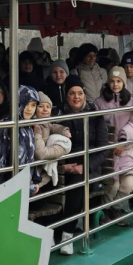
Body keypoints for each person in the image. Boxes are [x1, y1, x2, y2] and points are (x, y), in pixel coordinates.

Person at [55, 76, 109, 255]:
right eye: (72, 93)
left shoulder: (95, 115)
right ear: (66, 96)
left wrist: (85, 167)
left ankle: (67, 235)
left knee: (78, 184)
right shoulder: (59, 115)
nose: (76, 97)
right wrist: (64, 167)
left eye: (79, 93)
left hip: (90, 168)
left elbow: (103, 150)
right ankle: (50, 232)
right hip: (65, 167)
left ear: (84, 94)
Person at [94, 67, 133, 217]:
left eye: (119, 81)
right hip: (108, 152)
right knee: (112, 186)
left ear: (124, 82)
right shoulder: (99, 102)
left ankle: (115, 208)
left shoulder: (131, 101)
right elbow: (97, 126)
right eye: (112, 81)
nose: (115, 84)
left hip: (126, 150)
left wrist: (123, 142)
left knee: (128, 186)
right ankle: (106, 211)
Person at [0, 86, 39, 189]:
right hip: (8, 185)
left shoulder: (28, 127)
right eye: (25, 104)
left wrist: (35, 179)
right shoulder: (8, 126)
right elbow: (2, 160)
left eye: (33, 105)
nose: (29, 109)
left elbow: (30, 157)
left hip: (24, 182)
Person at [33, 92, 72, 193]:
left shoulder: (46, 123)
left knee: (49, 171)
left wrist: (64, 131)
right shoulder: (36, 125)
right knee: (47, 170)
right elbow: (40, 154)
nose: (45, 109)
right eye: (41, 106)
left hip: (43, 162)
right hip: (36, 163)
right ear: (35, 109)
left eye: (48, 107)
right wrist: (58, 152)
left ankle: (37, 186)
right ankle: (36, 186)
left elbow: (55, 127)